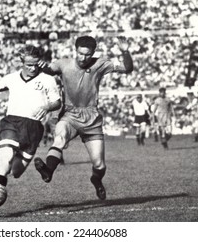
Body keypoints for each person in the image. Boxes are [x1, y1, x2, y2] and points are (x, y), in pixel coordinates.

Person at [0, 45, 61, 217]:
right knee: (4, 162)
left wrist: (46, 106)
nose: (32, 68)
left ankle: (5, 187)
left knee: (16, 172)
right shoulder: (12, 78)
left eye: (36, 64)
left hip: (34, 128)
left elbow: (57, 102)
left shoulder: (47, 80)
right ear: (21, 62)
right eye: (29, 64)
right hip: (12, 122)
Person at [34, 35, 133, 200]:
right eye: (80, 53)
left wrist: (125, 52)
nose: (83, 58)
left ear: (93, 52)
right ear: (75, 50)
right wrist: (42, 66)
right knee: (60, 138)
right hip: (70, 114)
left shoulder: (100, 64)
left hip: (91, 117)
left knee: (99, 165)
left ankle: (96, 179)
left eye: (87, 54)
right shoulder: (63, 63)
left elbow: (127, 68)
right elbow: (48, 70)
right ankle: (48, 171)